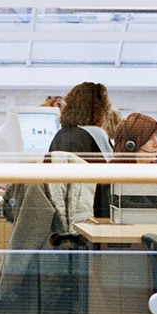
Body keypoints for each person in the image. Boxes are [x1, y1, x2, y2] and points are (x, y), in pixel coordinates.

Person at [47, 81, 114, 217]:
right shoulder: (97, 134)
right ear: (99, 109)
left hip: (62, 215)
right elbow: (112, 179)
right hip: (93, 214)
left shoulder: (60, 135)